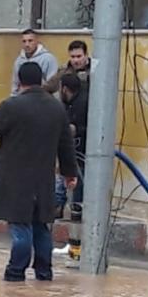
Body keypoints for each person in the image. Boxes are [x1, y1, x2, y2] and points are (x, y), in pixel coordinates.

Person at [0, 62, 79, 282]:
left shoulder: (12, 106)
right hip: (43, 180)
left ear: (20, 81)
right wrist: (70, 173)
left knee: (21, 228)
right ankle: (44, 273)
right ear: (40, 80)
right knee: (41, 227)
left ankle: (15, 273)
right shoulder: (56, 108)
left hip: (15, 180)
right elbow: (66, 145)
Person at [54, 73, 89, 222]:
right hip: (71, 147)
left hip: (80, 149)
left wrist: (76, 129)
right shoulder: (71, 102)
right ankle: (59, 206)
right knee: (66, 176)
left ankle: (74, 209)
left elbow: (85, 125)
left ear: (65, 89)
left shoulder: (81, 103)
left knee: (76, 179)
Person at [11, 29, 59, 96]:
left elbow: (53, 84)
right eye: (24, 41)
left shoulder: (48, 59)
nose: (27, 44)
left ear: (37, 41)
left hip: (43, 99)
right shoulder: (19, 61)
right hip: (23, 100)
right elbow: (15, 84)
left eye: (30, 41)